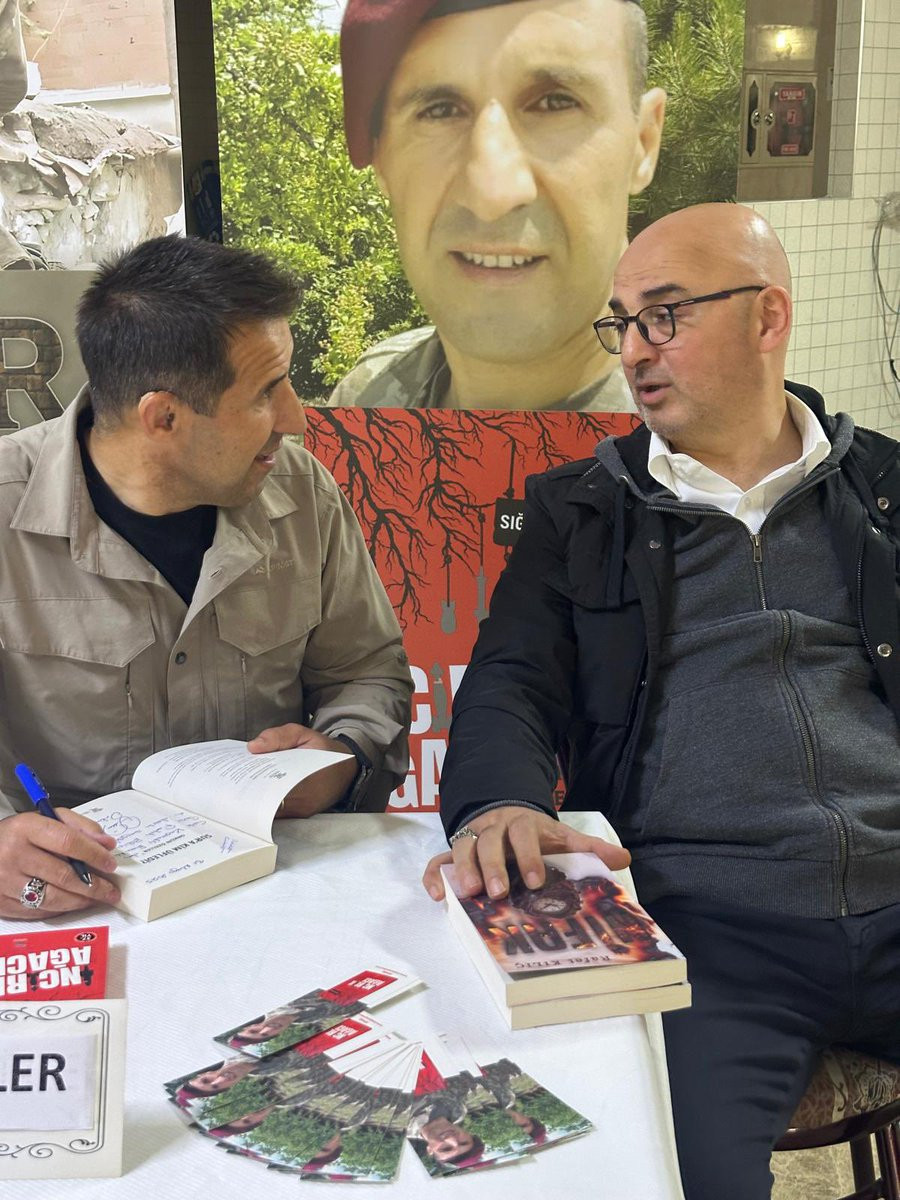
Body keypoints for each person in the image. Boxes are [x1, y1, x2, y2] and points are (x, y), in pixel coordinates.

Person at [423, 203, 900, 1197]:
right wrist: (499, 802)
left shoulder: (885, 488)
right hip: (710, 930)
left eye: (665, 316)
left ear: (768, 317)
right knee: (662, 1173)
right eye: (623, 322)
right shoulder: (582, 510)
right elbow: (513, 676)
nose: (635, 350)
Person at [0, 234, 413, 921]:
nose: (296, 418)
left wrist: (343, 758)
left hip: (275, 886)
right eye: (266, 393)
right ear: (163, 417)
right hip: (80, 902)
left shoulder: (302, 493)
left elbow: (367, 670)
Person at [330, 0, 664, 411]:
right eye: (440, 111)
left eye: (555, 103)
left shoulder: (717, 434)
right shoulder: (364, 405)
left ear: (644, 143)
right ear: (382, 160)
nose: (492, 193)